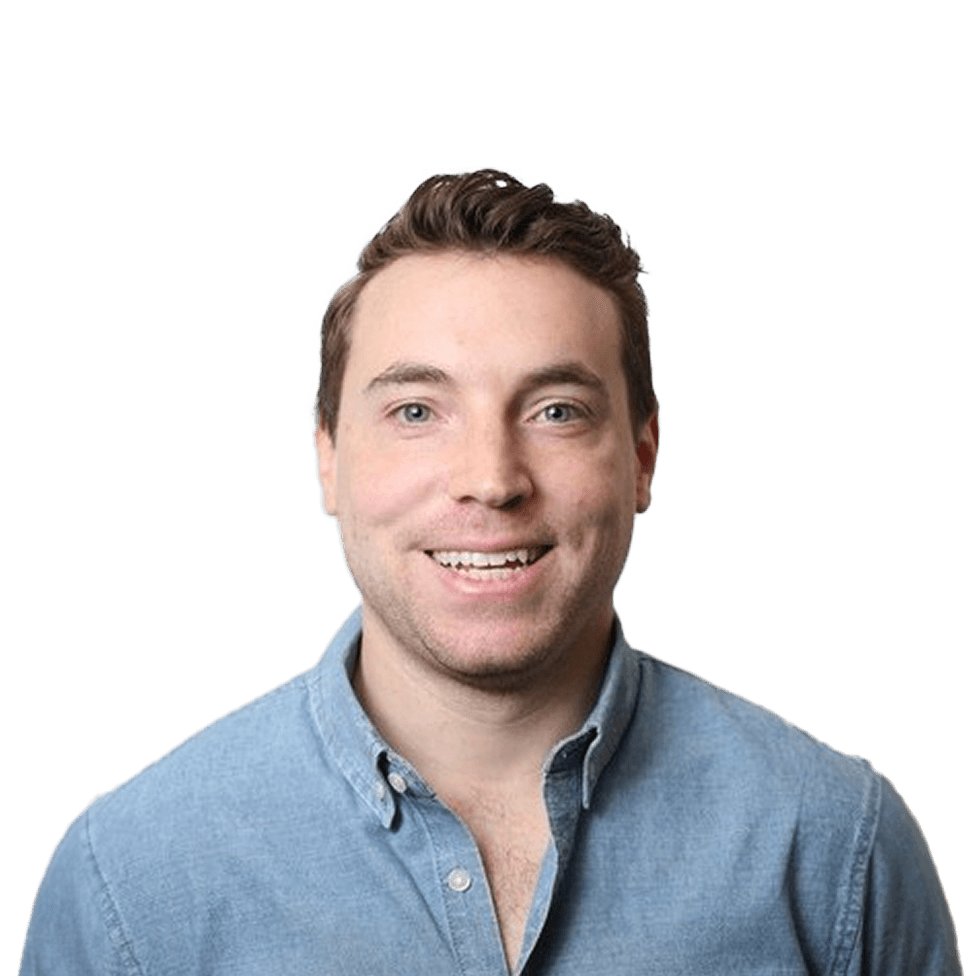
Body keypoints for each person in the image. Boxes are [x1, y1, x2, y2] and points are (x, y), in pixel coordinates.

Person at [20, 168, 963, 975]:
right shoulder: (126, 880)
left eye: (556, 411)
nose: (490, 480)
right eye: (417, 411)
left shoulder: (841, 849)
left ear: (642, 455)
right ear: (326, 458)